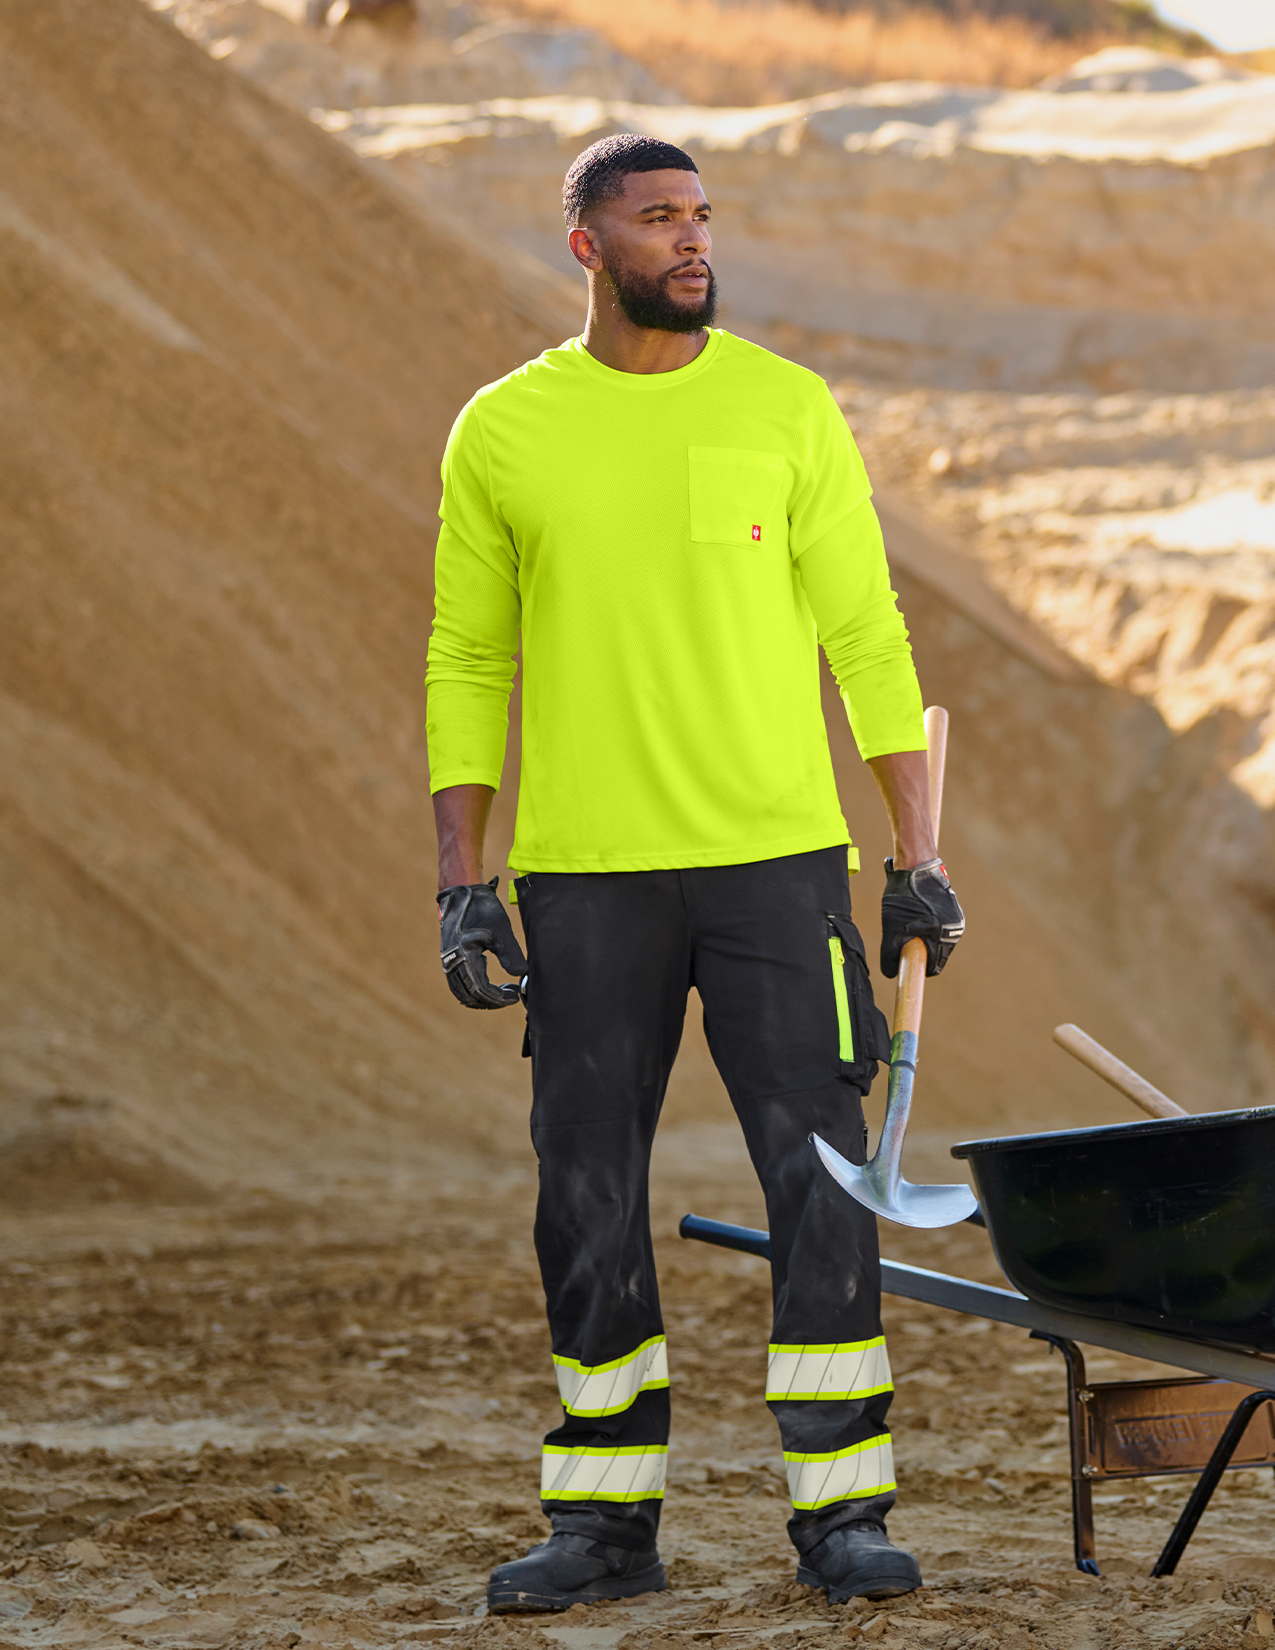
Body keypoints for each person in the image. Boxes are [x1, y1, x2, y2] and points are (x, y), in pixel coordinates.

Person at [425, 133, 965, 1617]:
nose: (692, 242)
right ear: (586, 245)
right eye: (657, 219)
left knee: (824, 1174)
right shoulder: (504, 431)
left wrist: (915, 856)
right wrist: (462, 877)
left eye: (702, 217)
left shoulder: (784, 410)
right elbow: (468, 658)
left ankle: (840, 1513)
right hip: (588, 874)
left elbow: (866, 635)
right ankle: (604, 1520)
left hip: (777, 864)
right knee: (581, 1182)